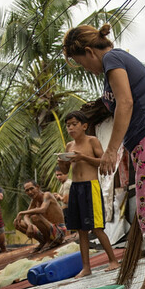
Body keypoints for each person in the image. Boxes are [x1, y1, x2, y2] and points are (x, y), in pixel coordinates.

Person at [63, 24, 145, 289]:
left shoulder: (112, 60)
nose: (85, 69)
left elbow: (125, 103)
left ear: (90, 52)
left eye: (81, 63)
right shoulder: (113, 64)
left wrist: (112, 150)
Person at [60, 110, 121, 278]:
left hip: (91, 186)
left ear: (84, 126)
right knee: (80, 229)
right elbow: (65, 170)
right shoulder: (69, 146)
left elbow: (102, 162)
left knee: (96, 226)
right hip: (75, 188)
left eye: (74, 124)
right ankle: (86, 267)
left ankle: (113, 260)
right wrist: (62, 162)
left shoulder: (92, 141)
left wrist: (83, 158)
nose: (71, 128)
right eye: (68, 125)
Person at [14, 181, 67, 252]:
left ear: (37, 187)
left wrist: (21, 213)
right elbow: (26, 216)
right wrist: (29, 225)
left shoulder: (47, 195)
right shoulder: (34, 201)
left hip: (59, 233)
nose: (30, 192)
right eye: (27, 190)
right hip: (47, 232)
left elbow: (42, 210)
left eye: (31, 189)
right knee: (18, 222)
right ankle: (43, 242)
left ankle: (50, 241)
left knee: (35, 217)